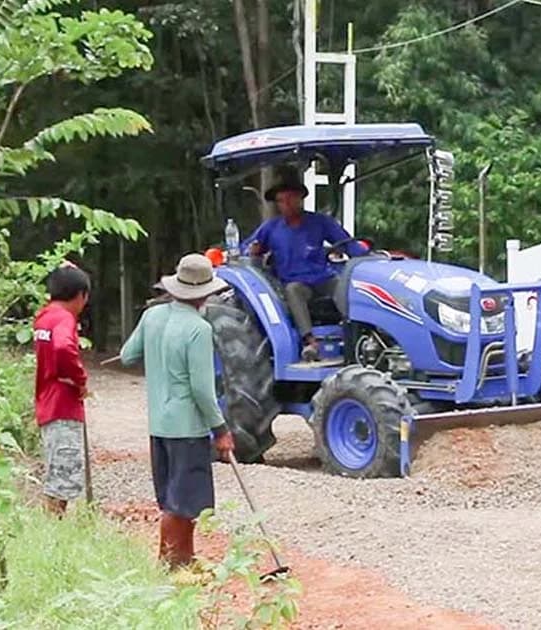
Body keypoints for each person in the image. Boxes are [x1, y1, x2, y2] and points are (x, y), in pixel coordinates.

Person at [121, 254, 236, 569]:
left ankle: (185, 559)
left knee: (174, 496)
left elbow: (127, 354)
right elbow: (202, 389)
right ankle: (170, 564)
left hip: (158, 424)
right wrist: (221, 429)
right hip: (187, 428)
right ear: (204, 293)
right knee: (183, 501)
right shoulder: (198, 329)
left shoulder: (152, 317)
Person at [245, 170, 371, 362]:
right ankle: (310, 342)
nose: (285, 204)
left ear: (300, 199)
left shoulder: (320, 222)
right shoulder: (271, 227)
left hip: (323, 278)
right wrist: (253, 250)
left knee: (344, 287)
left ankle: (357, 338)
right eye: (281, 201)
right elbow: (248, 248)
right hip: (298, 284)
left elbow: (347, 244)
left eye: (290, 199)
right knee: (293, 290)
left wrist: (365, 255)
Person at [34, 265, 92, 515]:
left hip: (47, 402)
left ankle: (52, 524)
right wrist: (80, 379)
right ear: (81, 295)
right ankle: (52, 529)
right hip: (63, 406)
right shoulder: (64, 319)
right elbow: (63, 348)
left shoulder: (44, 316)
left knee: (55, 469)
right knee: (63, 478)